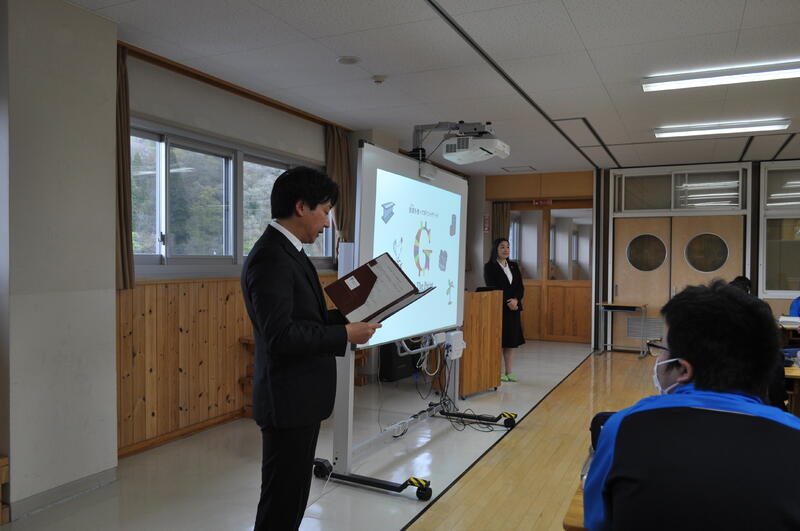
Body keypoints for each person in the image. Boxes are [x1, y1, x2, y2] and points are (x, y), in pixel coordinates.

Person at [584, 281, 800, 531]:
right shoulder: (793, 436)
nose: (659, 359)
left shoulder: (622, 429)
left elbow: (596, 522)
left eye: (662, 349)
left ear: (684, 370)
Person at [241, 166, 380, 530]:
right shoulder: (271, 257)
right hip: (287, 400)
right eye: (325, 211)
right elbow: (281, 336)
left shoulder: (292, 251)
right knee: (281, 504)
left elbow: (307, 319)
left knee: (292, 499)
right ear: (301, 207)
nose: (328, 222)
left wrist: (348, 316)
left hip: (301, 398)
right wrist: (345, 334)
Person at [483, 237, 525, 382]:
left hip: (514, 307)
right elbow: (492, 286)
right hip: (499, 308)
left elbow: (520, 287)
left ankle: (509, 371)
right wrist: (508, 301)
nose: (506, 250)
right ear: (495, 249)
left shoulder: (513, 265)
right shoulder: (489, 267)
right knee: (499, 340)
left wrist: (516, 300)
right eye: (502, 247)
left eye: (507, 247)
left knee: (511, 341)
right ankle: (498, 371)